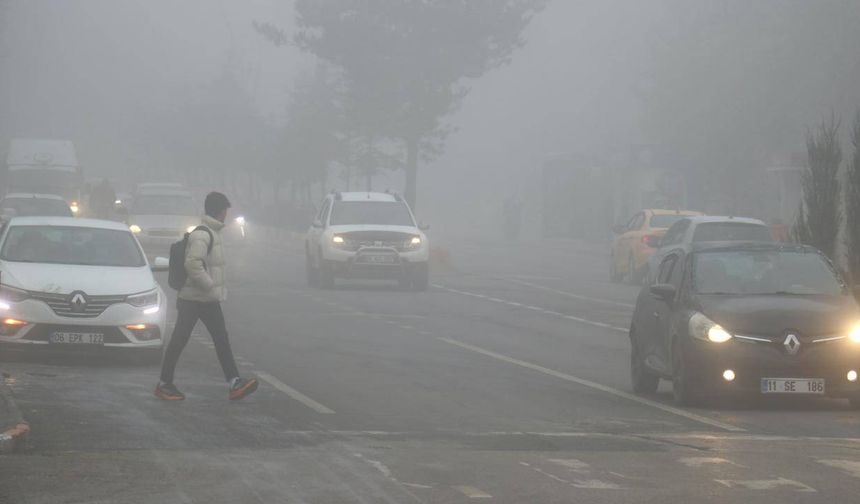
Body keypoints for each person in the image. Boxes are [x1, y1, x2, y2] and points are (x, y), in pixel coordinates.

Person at [155, 192, 258, 401]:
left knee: (220, 339)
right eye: (226, 210)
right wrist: (209, 285)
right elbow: (192, 264)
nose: (227, 214)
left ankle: (234, 382)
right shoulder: (203, 235)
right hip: (194, 299)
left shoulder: (212, 232)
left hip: (204, 299)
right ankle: (164, 384)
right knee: (181, 340)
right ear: (220, 211)